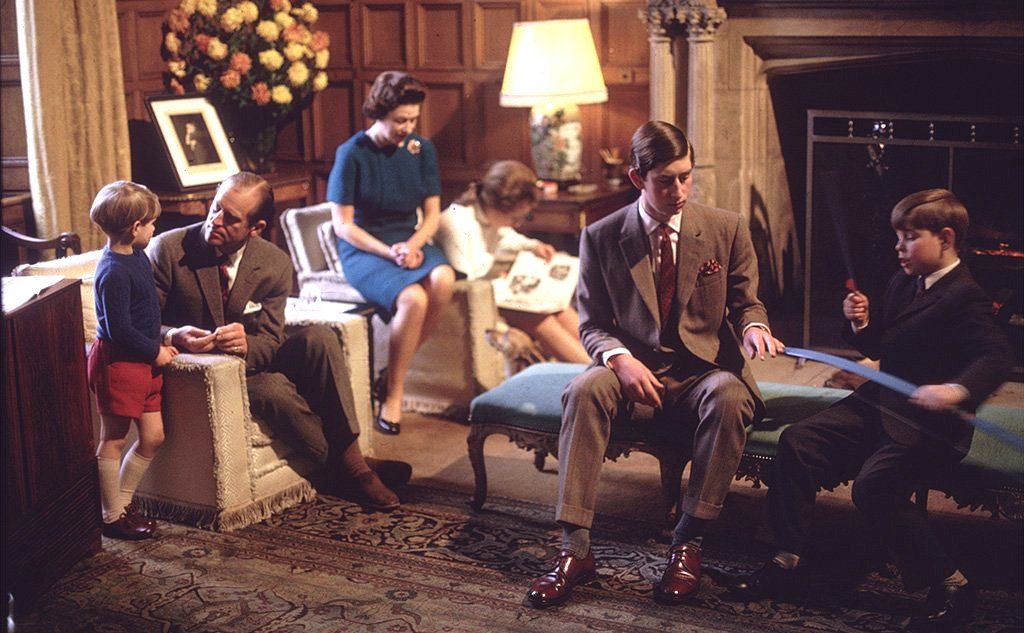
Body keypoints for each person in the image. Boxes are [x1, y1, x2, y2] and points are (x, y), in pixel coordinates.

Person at [524, 121, 785, 608]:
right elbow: (592, 324)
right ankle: (574, 550)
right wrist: (619, 360)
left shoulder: (725, 228)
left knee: (730, 396)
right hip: (635, 378)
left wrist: (754, 327)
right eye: (666, 180)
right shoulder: (601, 237)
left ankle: (688, 542)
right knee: (584, 389)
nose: (680, 190)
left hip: (702, 375)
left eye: (687, 176)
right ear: (636, 178)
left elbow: (747, 302)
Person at [730, 189, 1010, 630]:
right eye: (897, 237)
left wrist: (955, 391)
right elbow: (883, 345)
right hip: (879, 406)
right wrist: (860, 322)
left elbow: (995, 356)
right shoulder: (905, 281)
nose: (899, 247)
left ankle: (952, 583)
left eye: (909, 237)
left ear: (947, 238)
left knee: (873, 487)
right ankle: (787, 560)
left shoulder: (966, 297)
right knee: (798, 442)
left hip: (931, 426)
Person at [147, 171, 410, 510]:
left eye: (231, 218)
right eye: (215, 209)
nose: (215, 221)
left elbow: (271, 338)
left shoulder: (274, 263)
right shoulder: (168, 250)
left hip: (250, 357)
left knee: (320, 338)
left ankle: (353, 463)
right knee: (271, 389)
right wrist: (174, 334)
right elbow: (142, 326)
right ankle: (356, 468)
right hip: (204, 372)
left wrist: (247, 345)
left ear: (255, 228)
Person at [327, 71, 455, 435]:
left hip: (407, 241)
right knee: (413, 298)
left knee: (444, 278)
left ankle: (390, 372)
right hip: (364, 248)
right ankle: (394, 394)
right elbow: (344, 226)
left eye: (413, 119)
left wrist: (413, 247)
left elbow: (432, 215)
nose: (407, 127)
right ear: (378, 113)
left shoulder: (421, 149)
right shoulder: (351, 153)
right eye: (400, 120)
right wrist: (391, 253)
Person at [87, 181, 178, 540]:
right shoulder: (112, 271)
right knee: (114, 437)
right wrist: (155, 350)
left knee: (153, 437)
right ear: (134, 227)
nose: (155, 229)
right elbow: (117, 329)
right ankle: (112, 516)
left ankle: (122, 503)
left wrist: (160, 342)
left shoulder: (138, 257)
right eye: (151, 223)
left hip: (143, 363)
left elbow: (143, 314)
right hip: (120, 366)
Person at [435, 160, 590, 364]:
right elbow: (469, 279)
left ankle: (604, 361)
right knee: (540, 317)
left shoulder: (488, 214)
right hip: (467, 295)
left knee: (558, 306)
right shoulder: (456, 222)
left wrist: (534, 246)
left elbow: (506, 235)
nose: (517, 224)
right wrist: (504, 279)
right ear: (498, 205)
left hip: (493, 288)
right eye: (515, 218)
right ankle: (588, 369)